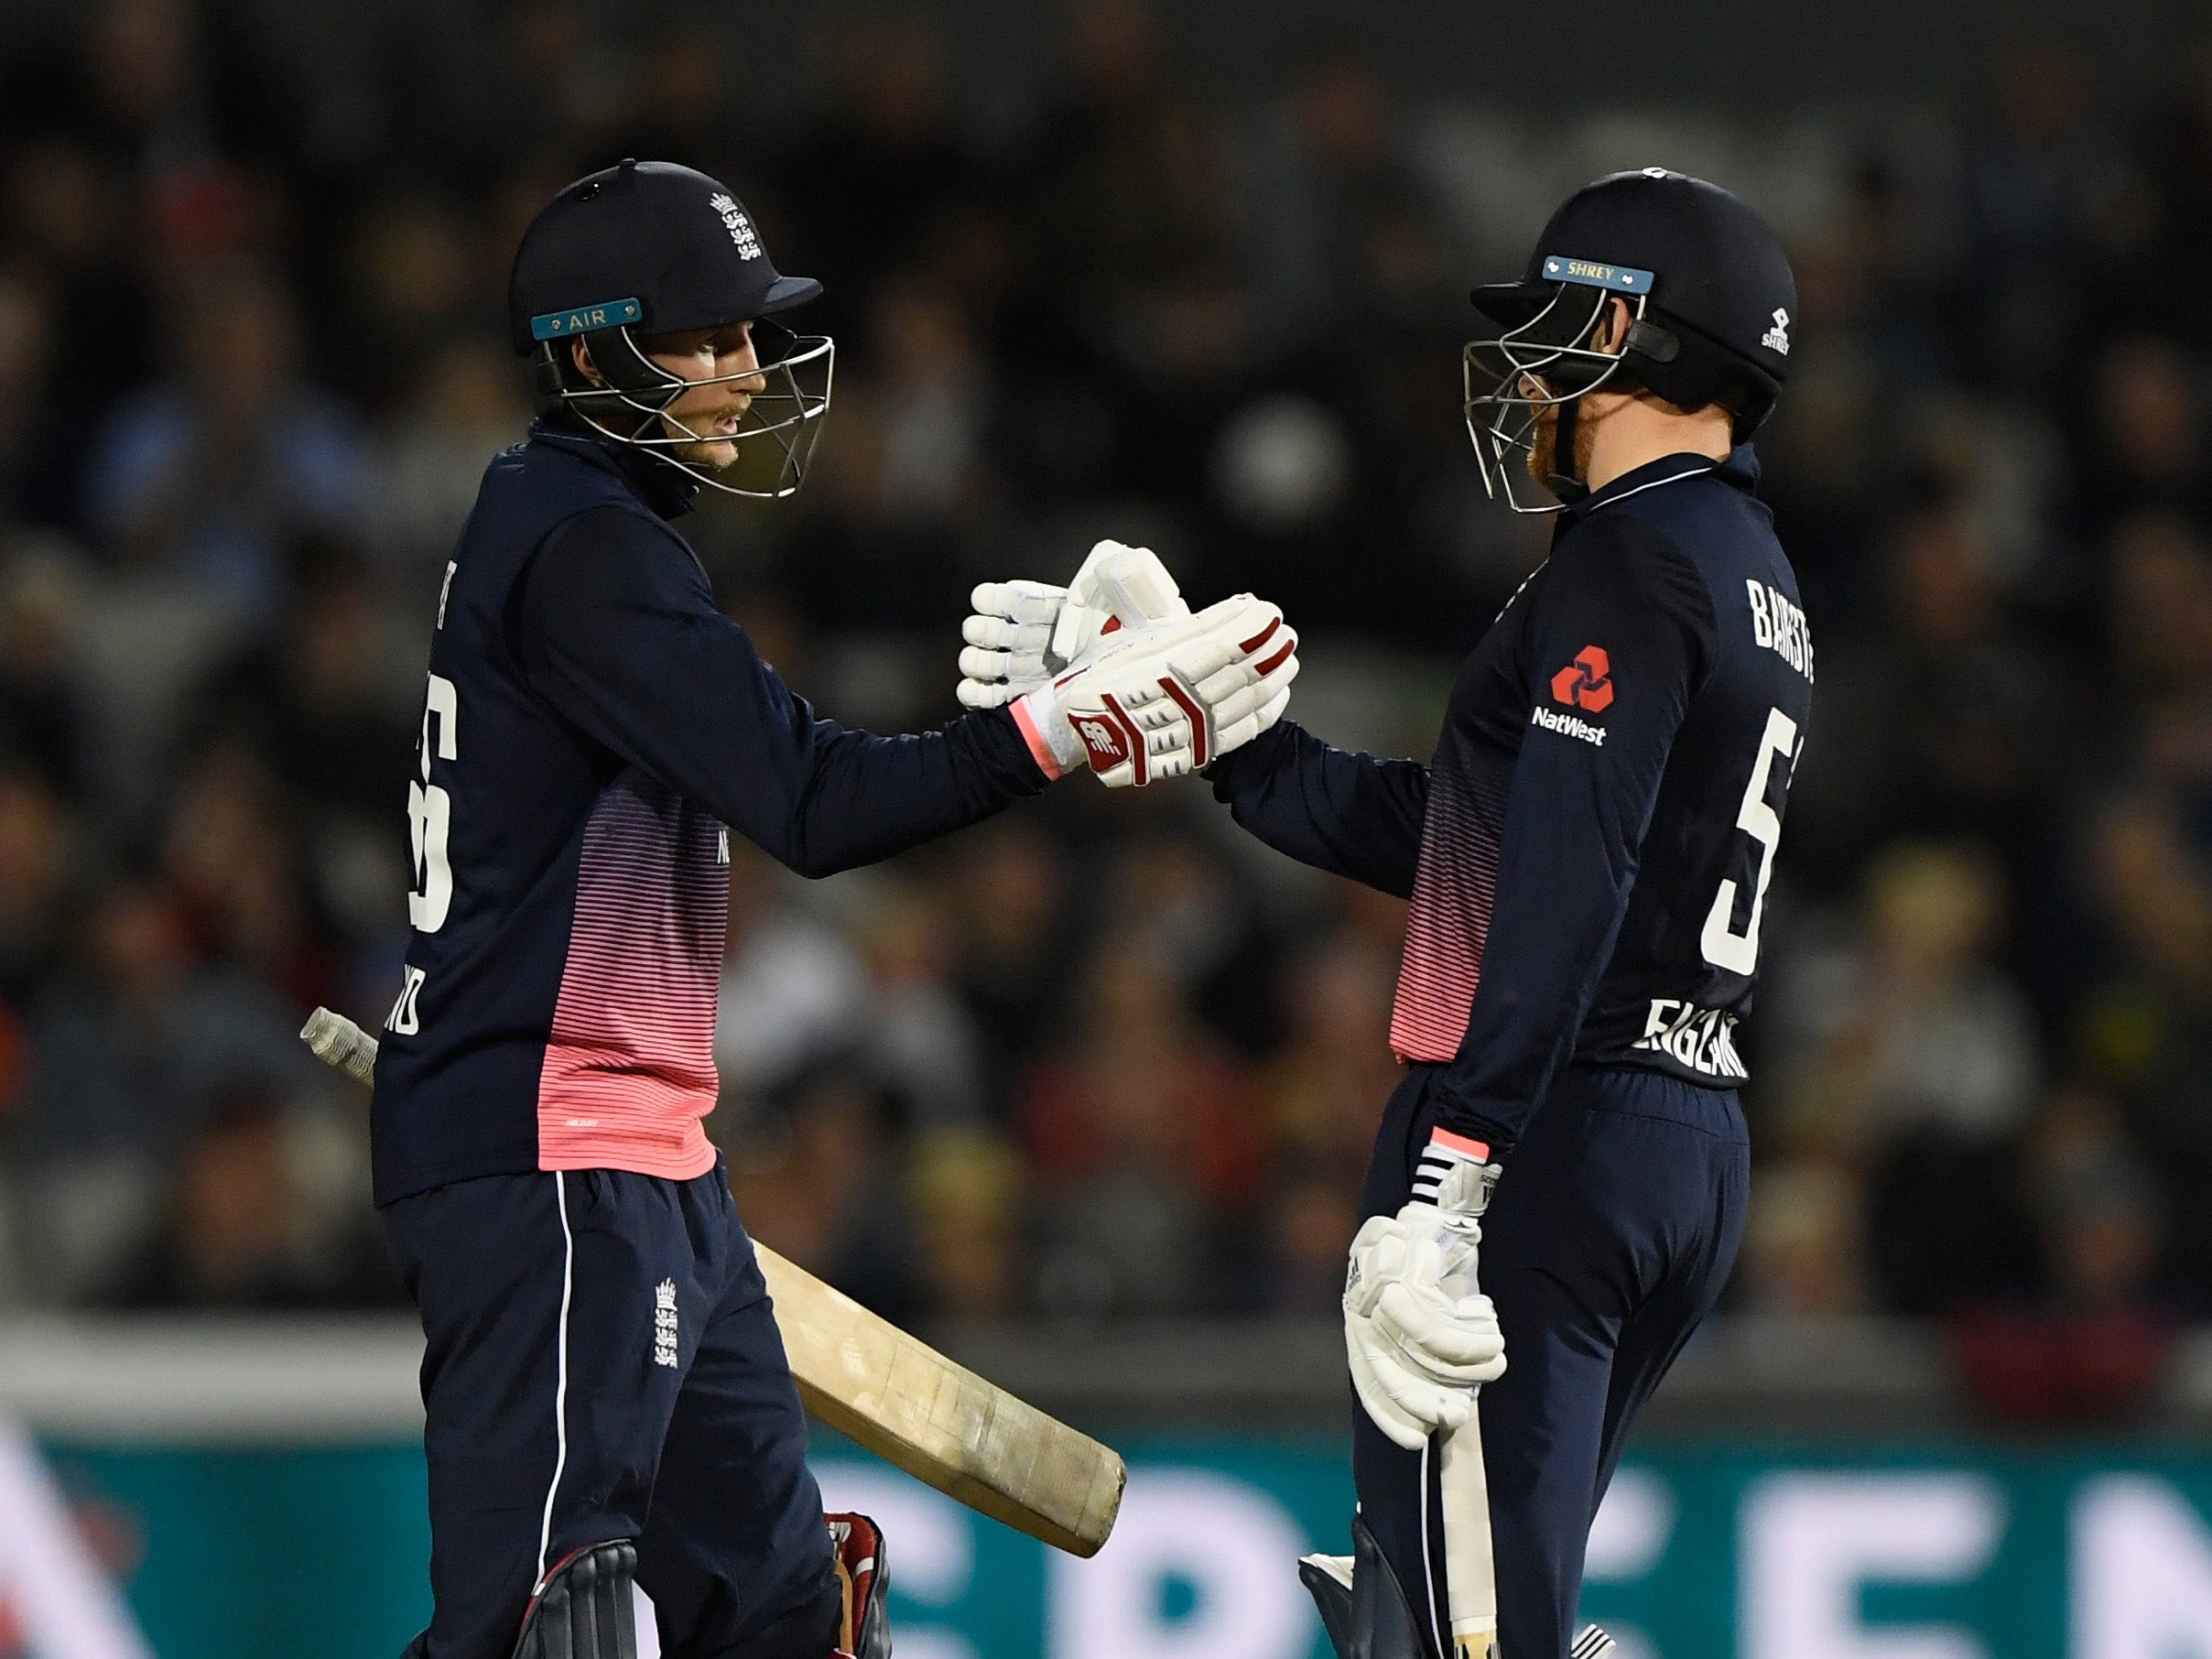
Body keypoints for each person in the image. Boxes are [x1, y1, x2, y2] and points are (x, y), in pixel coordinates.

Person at [372, 158, 1297, 1659]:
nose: (746, 369)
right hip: (543, 1153)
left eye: (749, 334)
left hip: (645, 1156)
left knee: (789, 1612)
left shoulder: (580, 527)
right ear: (598, 351)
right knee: (555, 1621)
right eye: (709, 338)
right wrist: (1053, 732)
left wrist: (1026, 725)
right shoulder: (581, 547)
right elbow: (811, 802)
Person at [966, 166, 1805, 1659]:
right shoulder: (1748, 567)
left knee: (1447, 1630)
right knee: (1466, 1606)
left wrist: (1458, 1165)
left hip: (1553, 1131)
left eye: (1560, 327)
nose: (1530, 367)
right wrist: (1225, 725)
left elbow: (1563, 880)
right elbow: (1480, 837)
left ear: (1639, 339)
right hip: (1683, 1131)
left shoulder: (1624, 556)